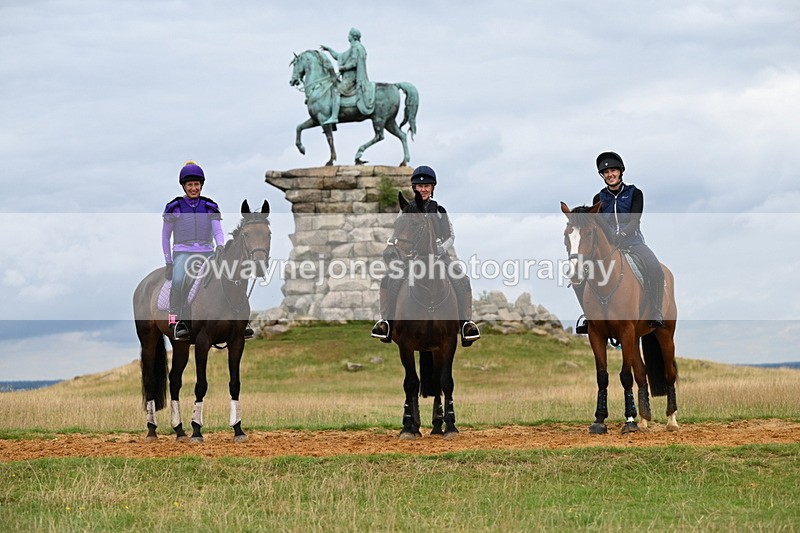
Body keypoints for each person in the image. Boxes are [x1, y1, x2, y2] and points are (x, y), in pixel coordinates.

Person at [371, 165, 481, 346]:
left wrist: (441, 250)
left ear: (432, 188)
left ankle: (466, 324)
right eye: (419, 186)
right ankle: (386, 323)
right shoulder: (406, 210)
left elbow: (450, 236)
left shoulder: (439, 210)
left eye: (427, 186)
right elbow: (400, 233)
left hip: (438, 256)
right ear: (414, 188)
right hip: (410, 257)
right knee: (387, 279)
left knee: (462, 279)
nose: (423, 189)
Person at [574, 151, 664, 334]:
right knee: (578, 275)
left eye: (613, 171)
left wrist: (621, 235)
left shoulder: (635, 193)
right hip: (607, 246)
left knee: (655, 268)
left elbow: (634, 221)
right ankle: (588, 316)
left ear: (621, 172)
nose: (610, 175)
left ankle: (656, 311)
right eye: (606, 173)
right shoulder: (598, 199)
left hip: (632, 241)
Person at [162, 161, 226, 340]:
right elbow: (165, 237)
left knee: (229, 275)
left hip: (207, 252)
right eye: (190, 185)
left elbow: (218, 230)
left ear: (201, 185)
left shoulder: (209, 206)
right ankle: (176, 321)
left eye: (196, 184)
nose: (193, 188)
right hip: (183, 252)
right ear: (184, 186)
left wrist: (220, 245)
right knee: (179, 279)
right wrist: (169, 262)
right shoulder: (174, 207)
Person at [320, 27, 375, 125]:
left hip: (351, 79)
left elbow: (354, 63)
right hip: (348, 78)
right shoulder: (353, 48)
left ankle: (334, 117)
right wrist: (329, 49)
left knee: (336, 91)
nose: (347, 36)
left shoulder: (356, 48)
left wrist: (343, 68)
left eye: (349, 35)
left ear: (353, 36)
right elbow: (339, 56)